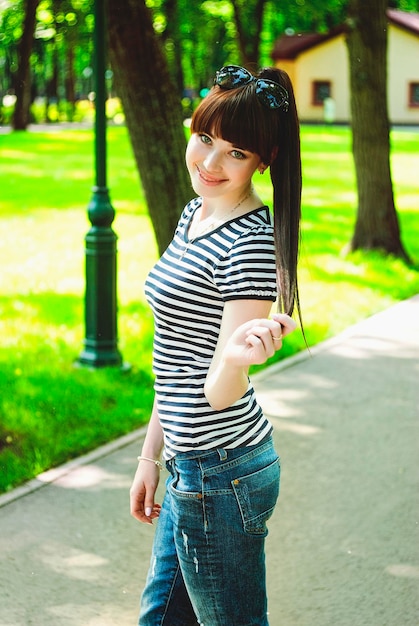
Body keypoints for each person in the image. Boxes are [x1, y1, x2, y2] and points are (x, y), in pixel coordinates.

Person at [130, 64, 302, 626]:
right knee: (161, 618)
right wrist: (151, 455)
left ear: (263, 160)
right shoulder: (195, 213)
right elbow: (172, 353)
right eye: (205, 138)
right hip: (189, 462)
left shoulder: (248, 241)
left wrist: (234, 358)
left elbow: (220, 392)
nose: (209, 163)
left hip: (222, 472)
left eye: (235, 152)